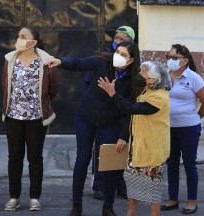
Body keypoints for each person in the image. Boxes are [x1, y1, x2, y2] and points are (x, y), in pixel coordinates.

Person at [47, 41, 141, 216]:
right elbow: (78, 63)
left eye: (124, 55)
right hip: (86, 116)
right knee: (82, 158)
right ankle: (76, 204)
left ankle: (108, 206)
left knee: (109, 165)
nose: (118, 56)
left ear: (131, 60)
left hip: (110, 122)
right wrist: (60, 61)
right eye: (118, 52)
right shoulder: (102, 62)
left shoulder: (134, 80)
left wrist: (124, 136)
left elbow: (130, 110)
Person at [98, 61, 171, 216]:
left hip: (151, 153)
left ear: (153, 80)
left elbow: (131, 109)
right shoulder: (146, 92)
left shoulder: (159, 97)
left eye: (143, 72)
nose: (139, 74)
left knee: (153, 197)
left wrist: (112, 93)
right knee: (132, 192)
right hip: (136, 149)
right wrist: (124, 137)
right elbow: (132, 117)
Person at [2, 26, 59, 211]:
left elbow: (53, 89)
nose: (18, 39)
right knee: (14, 157)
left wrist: (40, 104)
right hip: (13, 117)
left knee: (35, 157)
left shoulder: (45, 62)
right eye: (18, 36)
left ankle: (35, 197)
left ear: (33, 42)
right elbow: (5, 85)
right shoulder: (10, 60)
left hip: (36, 117)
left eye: (23, 36)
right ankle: (14, 197)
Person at [85, 26, 135, 200]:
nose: (118, 42)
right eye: (116, 39)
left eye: (122, 39)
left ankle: (120, 185)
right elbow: (89, 83)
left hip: (122, 114)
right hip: (104, 114)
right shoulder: (104, 60)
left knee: (122, 149)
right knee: (101, 149)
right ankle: (99, 185)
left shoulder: (134, 66)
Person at [161, 44, 204, 214]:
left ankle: (191, 201)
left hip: (189, 128)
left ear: (185, 60)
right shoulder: (164, 76)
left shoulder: (193, 78)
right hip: (168, 128)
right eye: (168, 57)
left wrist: (195, 118)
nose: (170, 61)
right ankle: (172, 199)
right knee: (172, 164)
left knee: (189, 164)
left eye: (174, 57)